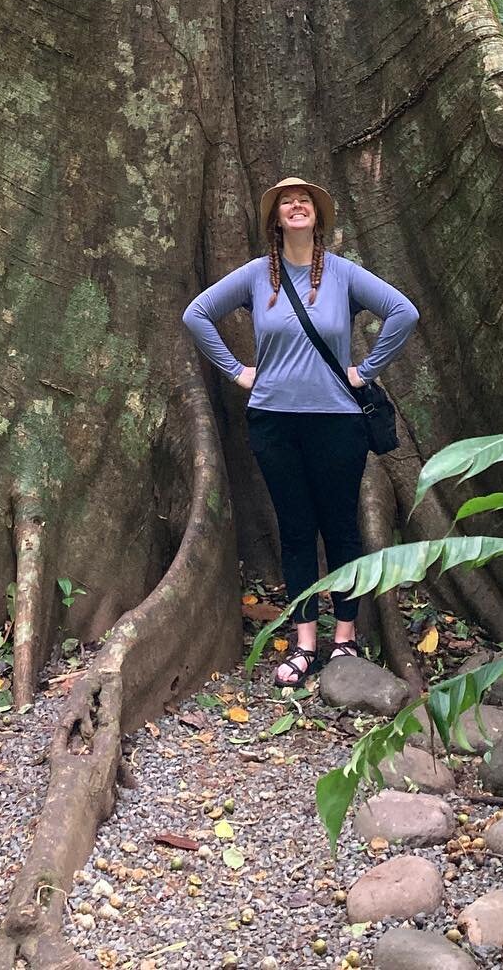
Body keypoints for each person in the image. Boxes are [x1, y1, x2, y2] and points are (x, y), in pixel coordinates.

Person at [182, 176, 419, 690]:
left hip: (338, 422)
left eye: (304, 200)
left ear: (318, 216)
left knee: (341, 529)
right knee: (295, 530)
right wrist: (237, 371)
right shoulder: (253, 277)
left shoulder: (343, 274)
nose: (295, 206)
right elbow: (196, 314)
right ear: (275, 219)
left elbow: (404, 313)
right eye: (286, 201)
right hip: (274, 422)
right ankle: (305, 640)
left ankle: (346, 638)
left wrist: (367, 369)